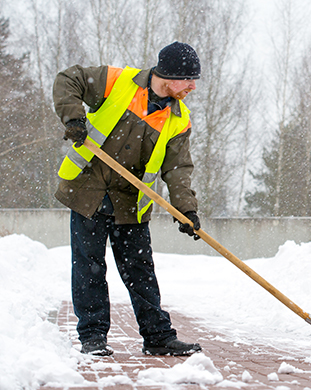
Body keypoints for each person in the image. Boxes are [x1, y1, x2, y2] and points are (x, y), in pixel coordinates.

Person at [53, 42, 203, 356]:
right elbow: (69, 79)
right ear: (169, 75)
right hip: (89, 192)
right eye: (188, 79)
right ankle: (93, 337)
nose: (192, 86)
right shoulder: (119, 81)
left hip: (131, 204)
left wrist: (185, 208)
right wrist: (73, 119)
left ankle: (158, 336)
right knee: (89, 267)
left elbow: (177, 169)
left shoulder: (179, 119)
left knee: (141, 271)